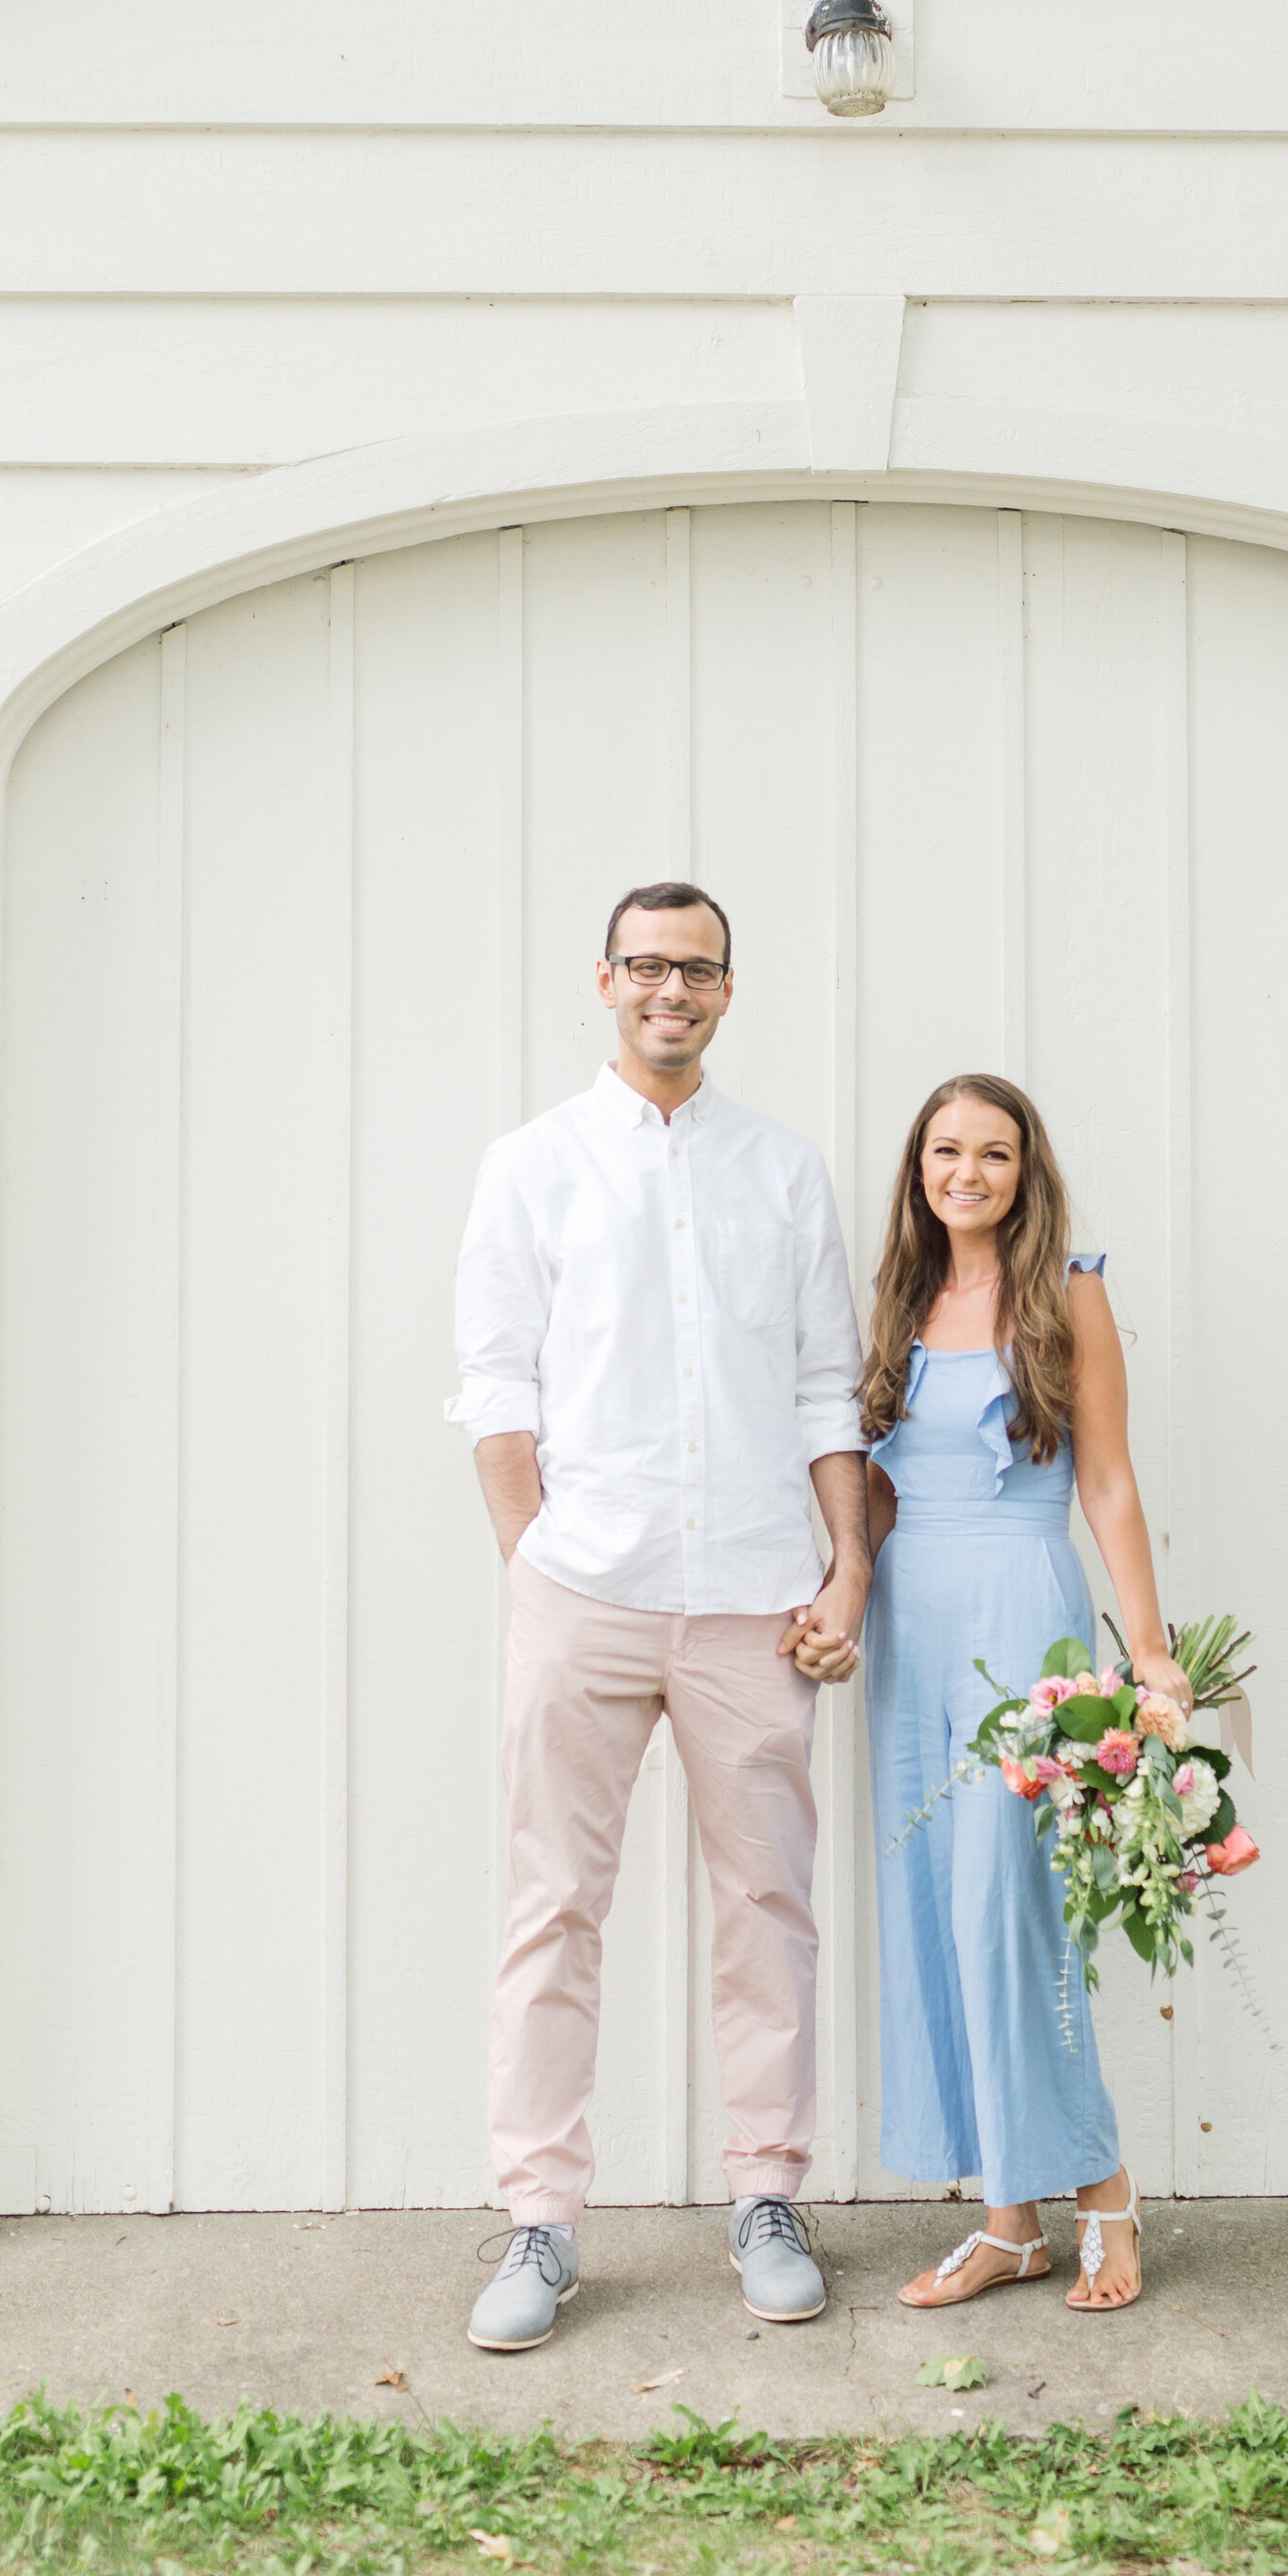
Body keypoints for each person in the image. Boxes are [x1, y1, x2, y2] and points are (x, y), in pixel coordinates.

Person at [448, 882, 870, 2353]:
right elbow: (497, 1382)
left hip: (756, 1595)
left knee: (769, 1909)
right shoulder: (534, 1165)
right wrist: (532, 1558)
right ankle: (542, 2221)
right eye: (647, 964)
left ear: (729, 990)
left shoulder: (783, 1170)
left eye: (696, 968)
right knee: (552, 1905)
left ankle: (766, 2195)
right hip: (587, 1591)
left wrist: (846, 1567)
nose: (670, 989)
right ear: (606, 980)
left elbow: (828, 1386)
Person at [794, 1075, 1188, 2316]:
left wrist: (1154, 1653)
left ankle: (1106, 2189)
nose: (968, 1170)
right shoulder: (898, 1298)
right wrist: (834, 1595)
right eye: (947, 1149)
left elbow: (1109, 1482)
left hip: (1022, 1616)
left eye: (995, 1152)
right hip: (914, 1631)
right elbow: (872, 1484)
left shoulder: (1068, 1287)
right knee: (935, 1918)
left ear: (1027, 1170)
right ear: (920, 1166)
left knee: (1011, 1917)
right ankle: (1009, 2220)